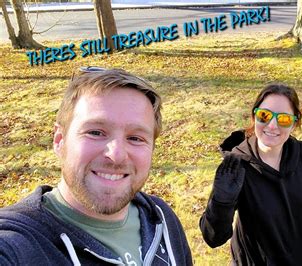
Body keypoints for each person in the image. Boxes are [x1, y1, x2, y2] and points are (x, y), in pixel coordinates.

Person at [0, 67, 192, 266]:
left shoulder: (161, 218)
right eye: (96, 132)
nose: (116, 155)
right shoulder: (18, 244)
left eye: (135, 138)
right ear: (59, 140)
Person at [200, 84, 302, 265]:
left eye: (284, 119)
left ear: (295, 122)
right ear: (254, 116)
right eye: (264, 115)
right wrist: (221, 203)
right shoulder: (237, 167)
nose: (272, 125)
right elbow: (213, 238)